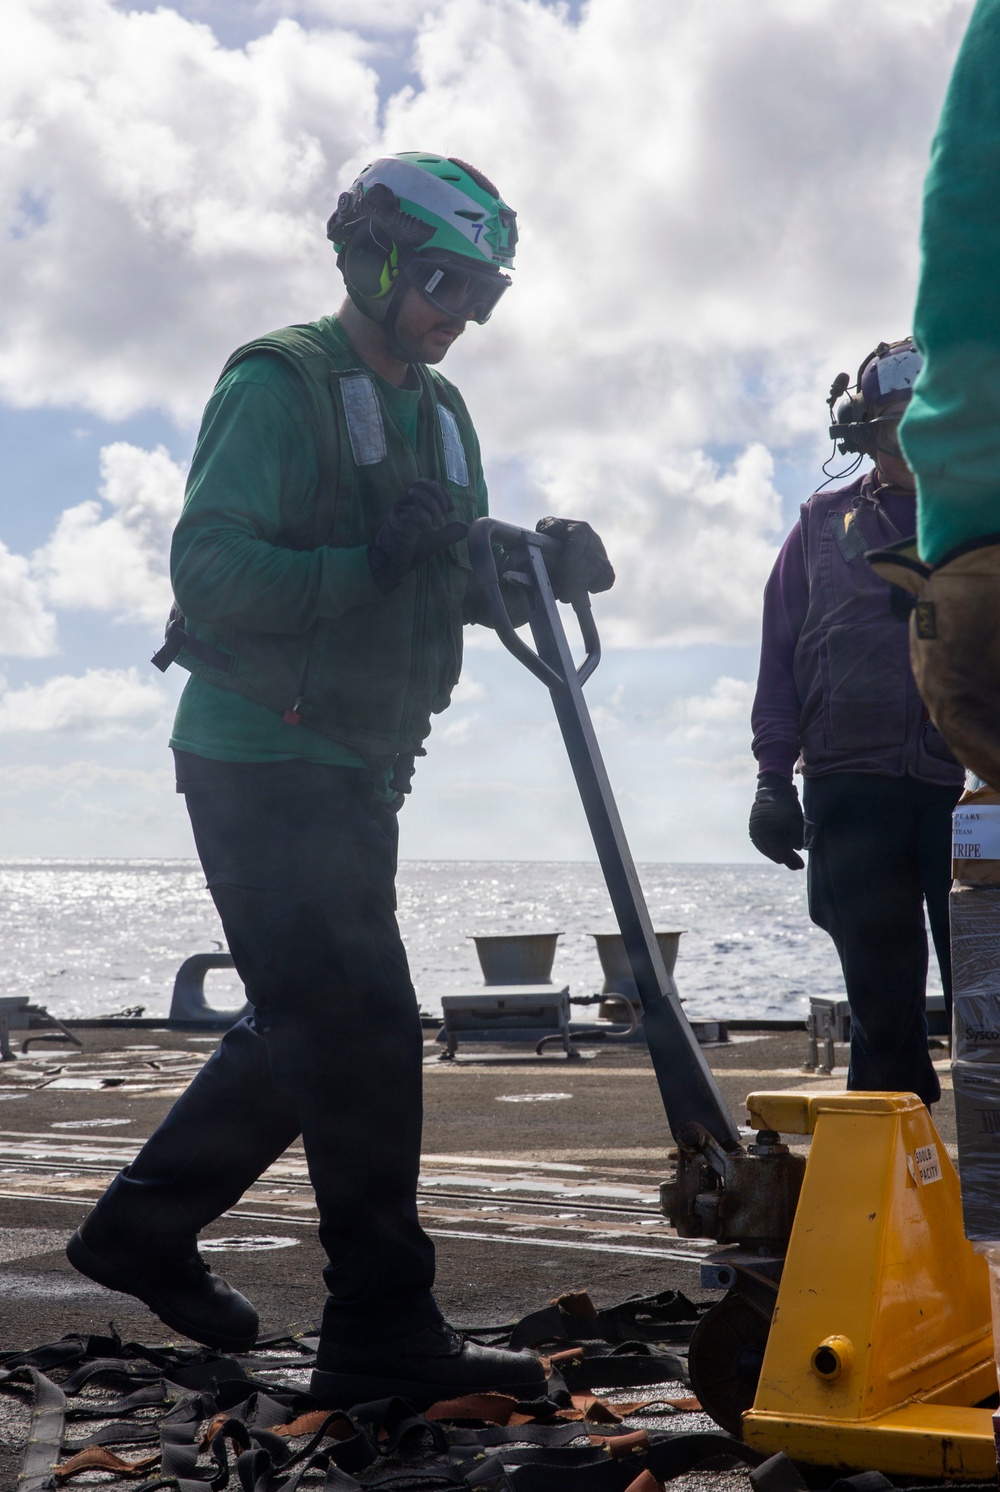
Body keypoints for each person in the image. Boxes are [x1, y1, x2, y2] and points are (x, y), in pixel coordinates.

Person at [65, 151, 614, 1409]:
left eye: (482, 296)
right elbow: (213, 575)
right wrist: (369, 563)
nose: (456, 315)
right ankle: (382, 1324)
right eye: (439, 283)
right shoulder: (280, 382)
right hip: (262, 752)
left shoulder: (440, 409)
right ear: (371, 259)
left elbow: (433, 569)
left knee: (309, 1019)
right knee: (360, 1025)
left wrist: (529, 564)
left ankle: (140, 1229)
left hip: (365, 761)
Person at [748, 338, 963, 1107]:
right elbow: (780, 659)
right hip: (851, 796)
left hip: (966, 798)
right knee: (880, 1013)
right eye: (887, 429)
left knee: (991, 1000)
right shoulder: (819, 527)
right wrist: (774, 780)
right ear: (860, 433)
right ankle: (888, 1197)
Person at [871, 0, 1000, 792]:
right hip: (866, 786)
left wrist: (969, 518)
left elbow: (971, 210)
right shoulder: (827, 532)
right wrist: (775, 774)